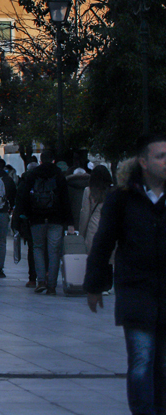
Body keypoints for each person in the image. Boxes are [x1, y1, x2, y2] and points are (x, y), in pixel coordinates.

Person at [85, 134, 166, 415]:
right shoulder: (122, 199)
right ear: (143, 162)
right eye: (160, 156)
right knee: (142, 359)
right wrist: (95, 285)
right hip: (137, 291)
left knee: (163, 364)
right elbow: (103, 242)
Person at [15, 150, 72, 295]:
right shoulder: (59, 174)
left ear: (41, 160)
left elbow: (24, 197)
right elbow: (65, 199)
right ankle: (52, 285)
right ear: (53, 160)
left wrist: (25, 215)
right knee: (54, 251)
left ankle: (40, 281)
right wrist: (69, 220)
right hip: (56, 218)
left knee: (38, 248)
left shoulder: (33, 174)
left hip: (36, 218)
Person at [80, 164, 113, 253]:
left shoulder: (89, 191)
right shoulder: (114, 192)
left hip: (93, 229)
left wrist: (82, 234)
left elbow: (85, 213)